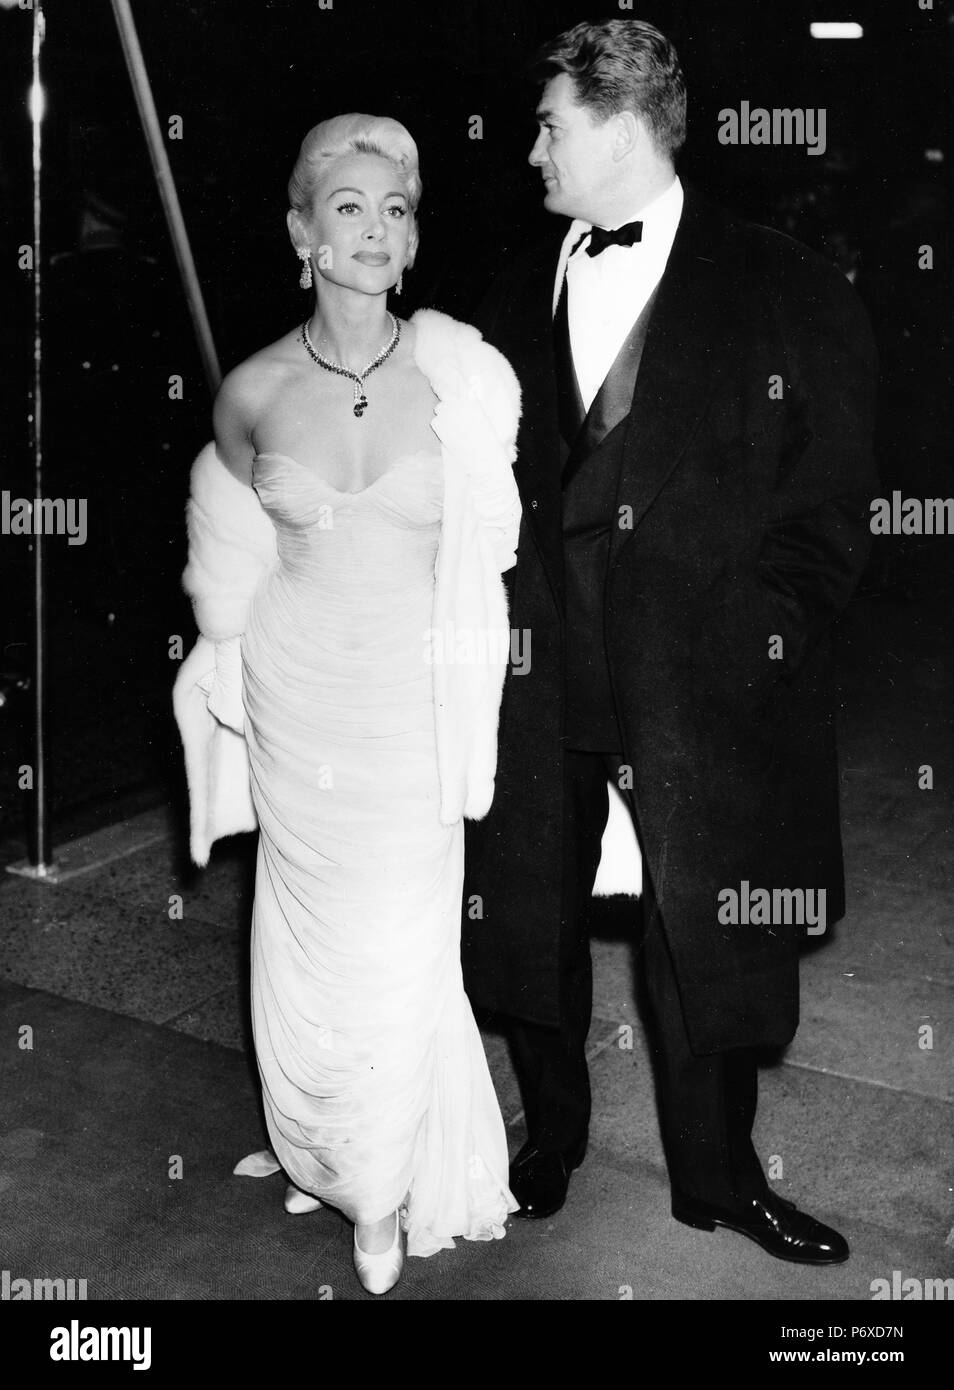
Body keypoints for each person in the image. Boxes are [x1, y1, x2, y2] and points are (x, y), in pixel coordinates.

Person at [463, 19, 878, 1264]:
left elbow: (831, 507)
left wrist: (763, 637)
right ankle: (550, 1143)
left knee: (705, 933)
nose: (531, 149)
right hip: (537, 677)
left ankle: (718, 1178)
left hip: (698, 685)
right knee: (531, 913)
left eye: (550, 124)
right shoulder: (501, 288)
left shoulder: (785, 286)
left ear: (623, 124)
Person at [173, 114, 521, 1295]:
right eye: (349, 209)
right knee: (307, 939)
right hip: (298, 696)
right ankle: (313, 1138)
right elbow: (228, 554)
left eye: (396, 211)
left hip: (412, 708)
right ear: (302, 234)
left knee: (402, 941)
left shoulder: (461, 381)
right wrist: (219, 667)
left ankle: (377, 1186)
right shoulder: (251, 390)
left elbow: (493, 551)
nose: (376, 232)